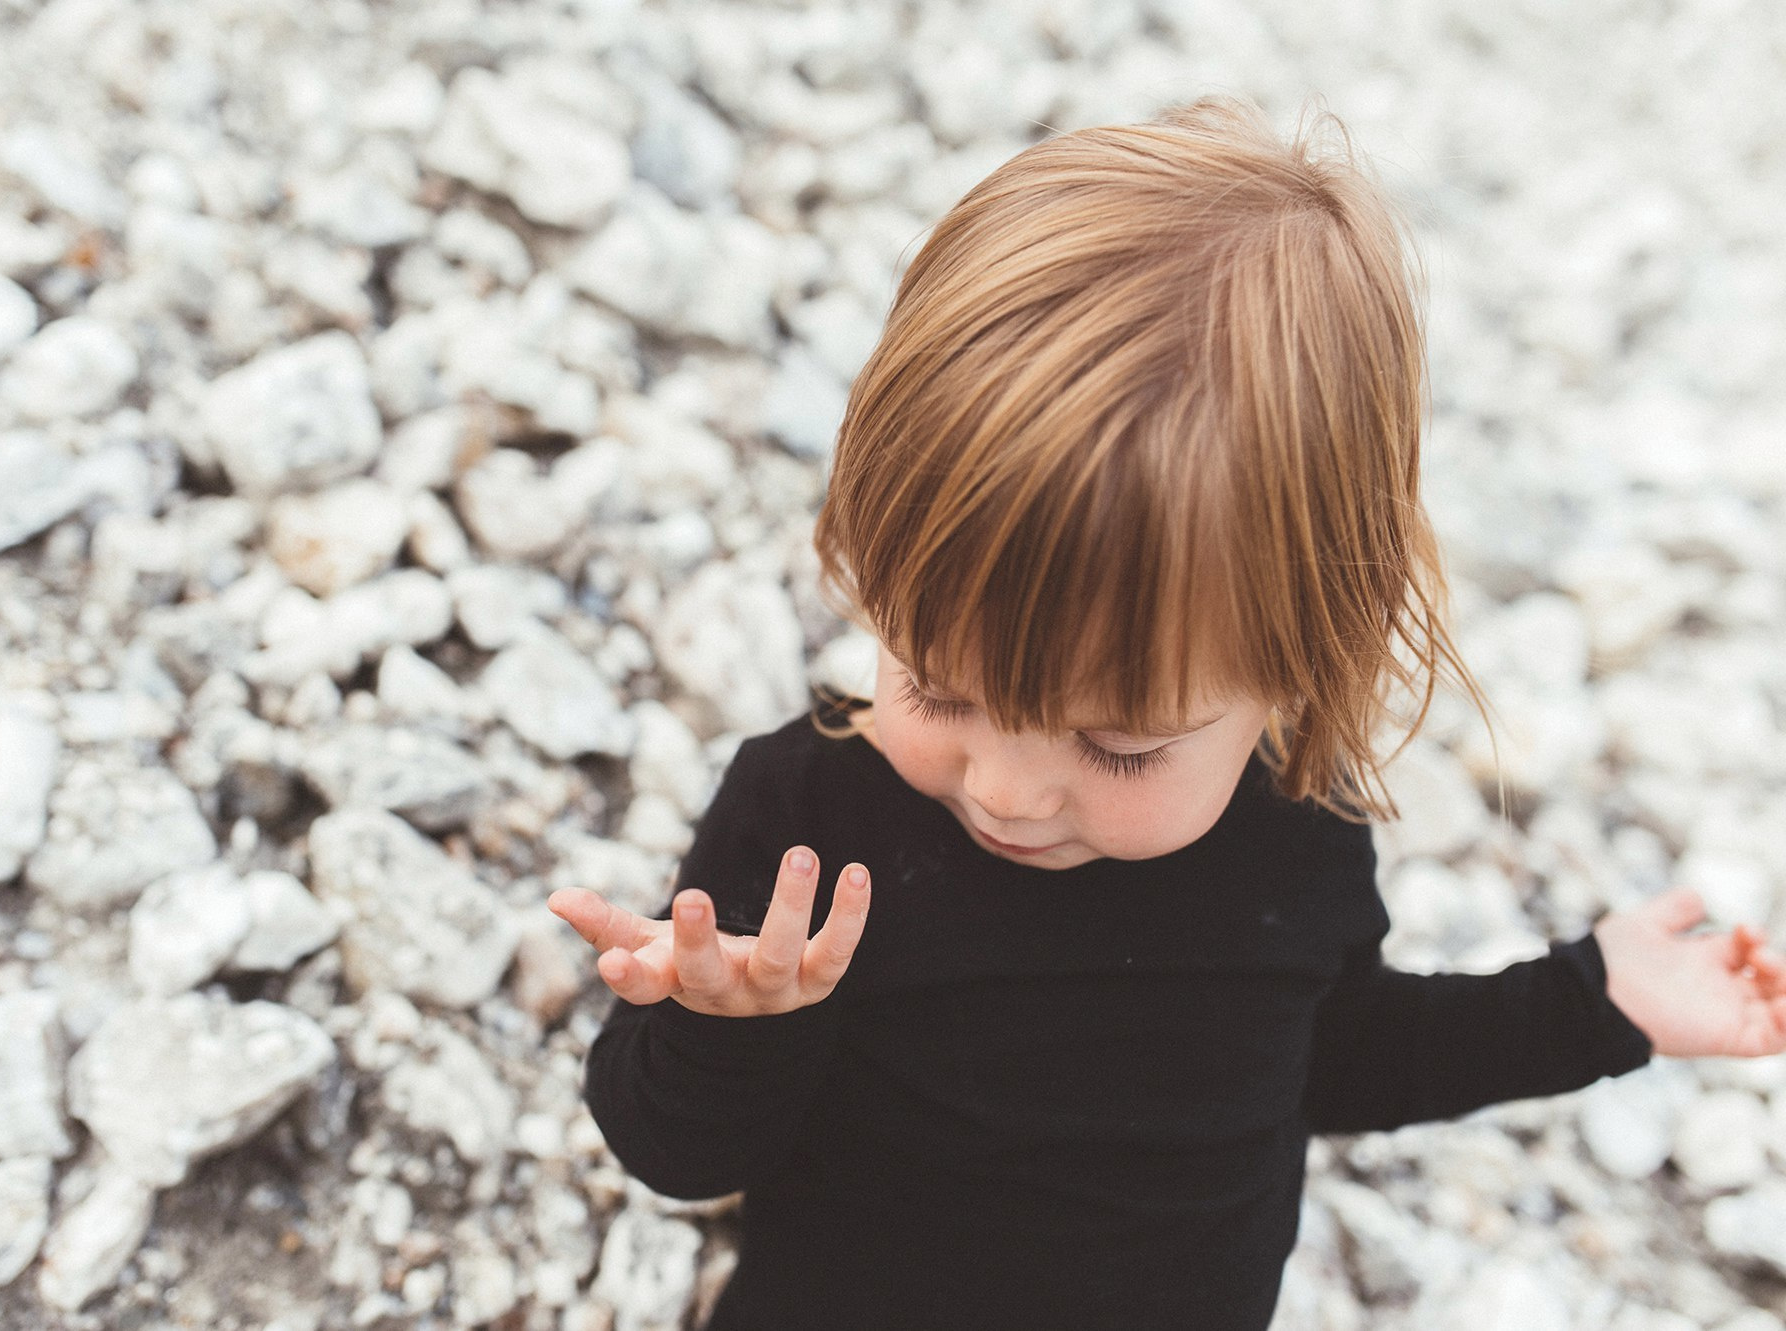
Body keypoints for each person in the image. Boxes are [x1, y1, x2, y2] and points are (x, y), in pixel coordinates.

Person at [546, 96, 1786, 1330]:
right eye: (936, 684)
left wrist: (1592, 999)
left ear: (1299, 659)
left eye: (1116, 744)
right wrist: (729, 1025)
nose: (1004, 789)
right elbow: (678, 1153)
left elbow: (1334, 1053)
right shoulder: (810, 815)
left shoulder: (1297, 835)